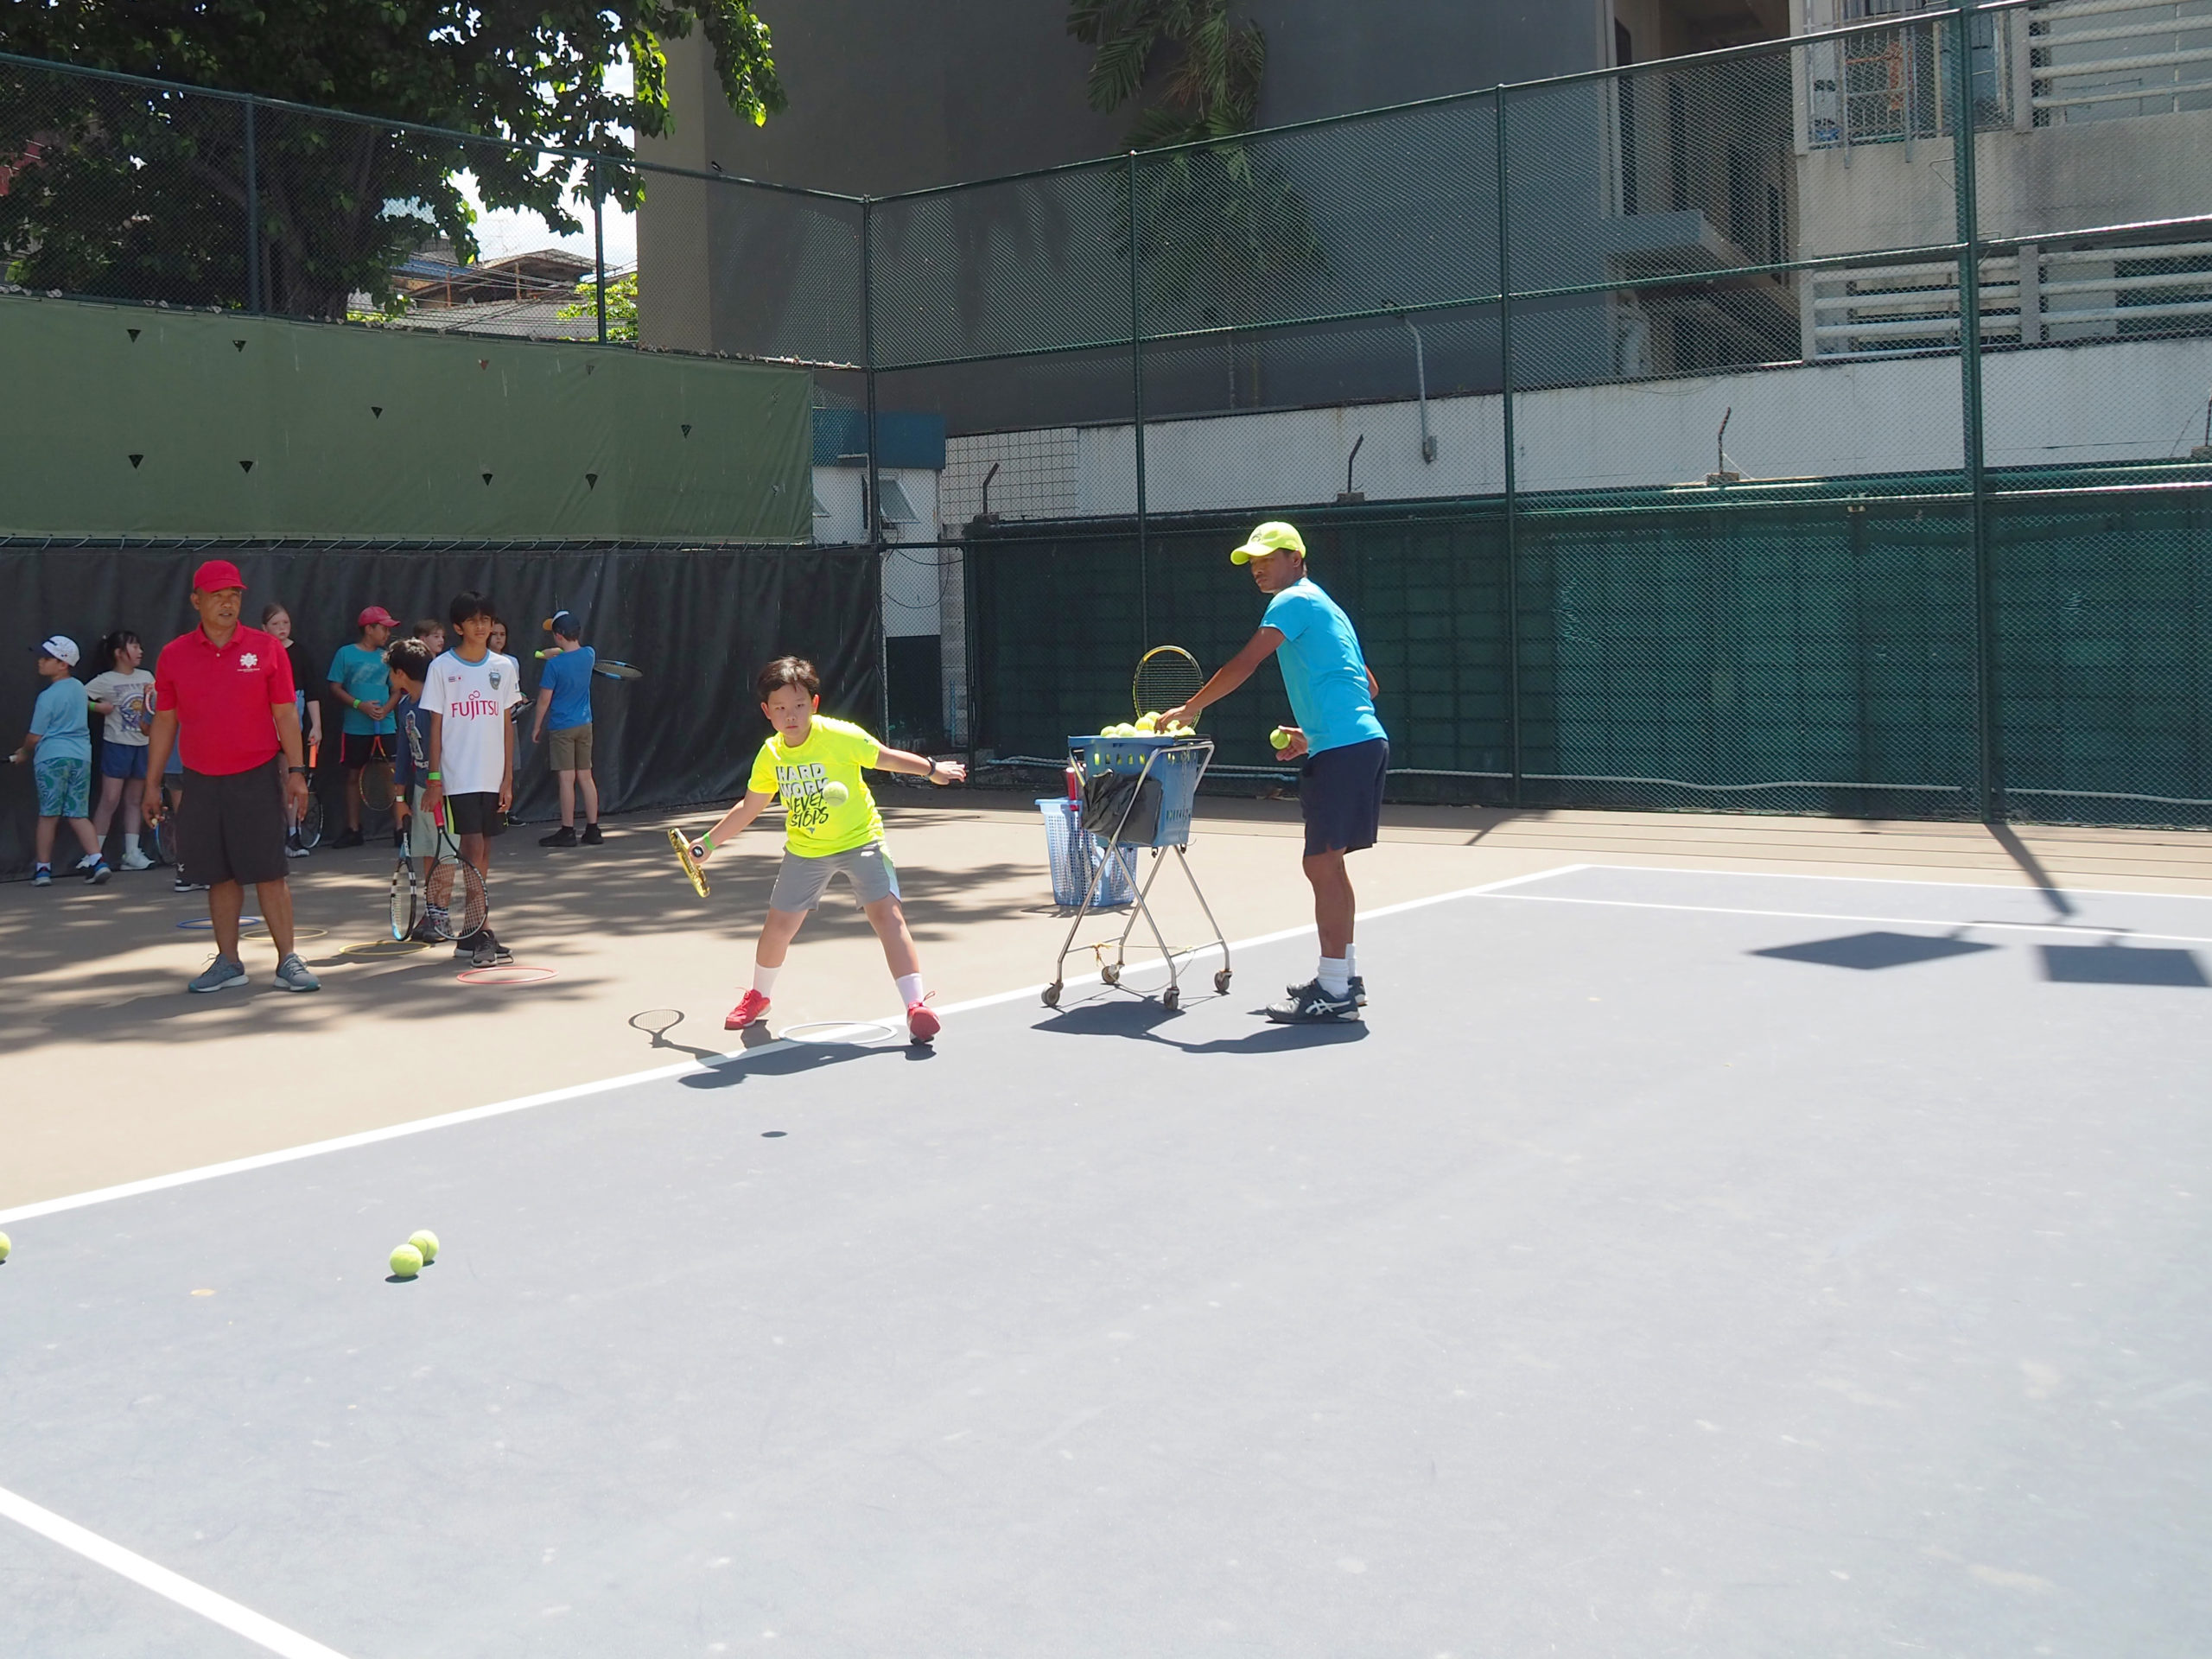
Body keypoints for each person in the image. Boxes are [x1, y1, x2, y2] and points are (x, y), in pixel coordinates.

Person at [1162, 521, 1387, 1024]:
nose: (1258, 568)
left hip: (1347, 749)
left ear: (1296, 559)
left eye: (1268, 558)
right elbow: (1367, 686)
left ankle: (1334, 989)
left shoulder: (1292, 601)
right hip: (1359, 743)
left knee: (1321, 865)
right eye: (1252, 561)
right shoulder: (1326, 605)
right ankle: (1342, 980)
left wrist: (1191, 708)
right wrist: (1316, 733)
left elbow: (1245, 663)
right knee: (1329, 865)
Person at [690, 657, 967, 1043]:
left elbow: (885, 756)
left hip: (861, 840)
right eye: (781, 708)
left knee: (888, 917)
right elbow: (750, 807)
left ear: (814, 704)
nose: (791, 715)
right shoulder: (771, 755)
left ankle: (915, 1006)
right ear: (767, 711)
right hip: (806, 850)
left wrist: (933, 769)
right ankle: (759, 997)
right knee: (778, 927)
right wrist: (708, 843)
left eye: (799, 705)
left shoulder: (840, 736)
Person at [143, 560, 320, 994]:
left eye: (235, 595)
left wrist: (297, 772)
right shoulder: (173, 654)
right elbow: (165, 721)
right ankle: (228, 962)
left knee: (270, 871)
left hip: (256, 776)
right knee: (219, 874)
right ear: (196, 601)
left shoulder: (267, 649)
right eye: (218, 595)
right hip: (201, 779)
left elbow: (286, 714)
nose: (228, 603)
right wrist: (151, 783)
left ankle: (288, 960)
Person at [420, 591, 520, 967]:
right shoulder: (442, 668)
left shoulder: (504, 667)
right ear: (458, 627)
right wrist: (434, 779)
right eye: (473, 620)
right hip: (458, 776)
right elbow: (435, 725)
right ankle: (481, 931)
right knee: (473, 849)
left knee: (484, 850)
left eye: (486, 620)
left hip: (493, 777)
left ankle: (470, 934)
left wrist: (507, 780)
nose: (481, 627)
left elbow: (507, 726)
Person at [10, 635, 112, 887]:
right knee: (78, 814)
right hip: (81, 759)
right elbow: (82, 704)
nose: (40, 661)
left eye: (47, 658)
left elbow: (35, 736)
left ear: (63, 664)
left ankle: (43, 870)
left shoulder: (46, 697)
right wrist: (98, 708)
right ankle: (98, 861)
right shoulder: (78, 687)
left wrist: (24, 752)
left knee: (49, 815)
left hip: (51, 759)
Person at [385, 637, 446, 944]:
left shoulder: (435, 704)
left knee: (445, 855)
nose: (389, 678)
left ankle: (441, 916)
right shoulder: (405, 705)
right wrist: (400, 798)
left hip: (443, 790)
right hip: (421, 789)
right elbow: (404, 754)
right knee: (428, 853)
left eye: (390, 672)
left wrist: (437, 784)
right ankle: (431, 912)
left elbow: (446, 747)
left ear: (400, 673)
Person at [326, 605, 397, 848]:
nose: (388, 634)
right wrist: (360, 705)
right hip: (355, 728)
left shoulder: (388, 657)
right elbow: (335, 687)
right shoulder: (345, 654)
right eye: (384, 628)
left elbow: (397, 690)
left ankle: (400, 830)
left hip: (386, 727)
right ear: (369, 629)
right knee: (353, 777)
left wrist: (385, 710)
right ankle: (353, 830)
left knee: (393, 777)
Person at [85, 628, 156, 870]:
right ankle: (94, 855)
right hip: (117, 745)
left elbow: (159, 703)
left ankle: (132, 853)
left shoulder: (147, 676)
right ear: (119, 653)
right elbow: (76, 697)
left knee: (135, 799)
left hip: (143, 745)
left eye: (139, 646)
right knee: (110, 798)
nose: (140, 651)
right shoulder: (105, 680)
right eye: (134, 647)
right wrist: (96, 707)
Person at [532, 609, 601, 846]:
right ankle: (593, 830)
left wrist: (536, 726)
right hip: (585, 724)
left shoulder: (554, 666)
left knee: (566, 779)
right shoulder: (589, 654)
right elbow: (566, 652)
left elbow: (544, 700)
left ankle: (568, 831)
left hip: (562, 727)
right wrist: (553, 653)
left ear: (558, 635)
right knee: (586, 777)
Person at [261, 603, 323, 857]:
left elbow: (312, 693)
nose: (282, 628)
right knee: (266, 781)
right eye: (275, 624)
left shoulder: (300, 653)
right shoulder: (259, 654)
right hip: (262, 727)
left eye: (285, 623)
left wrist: (316, 725)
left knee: (290, 778)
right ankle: (267, 838)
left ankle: (293, 835)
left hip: (291, 727)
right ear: (264, 628)